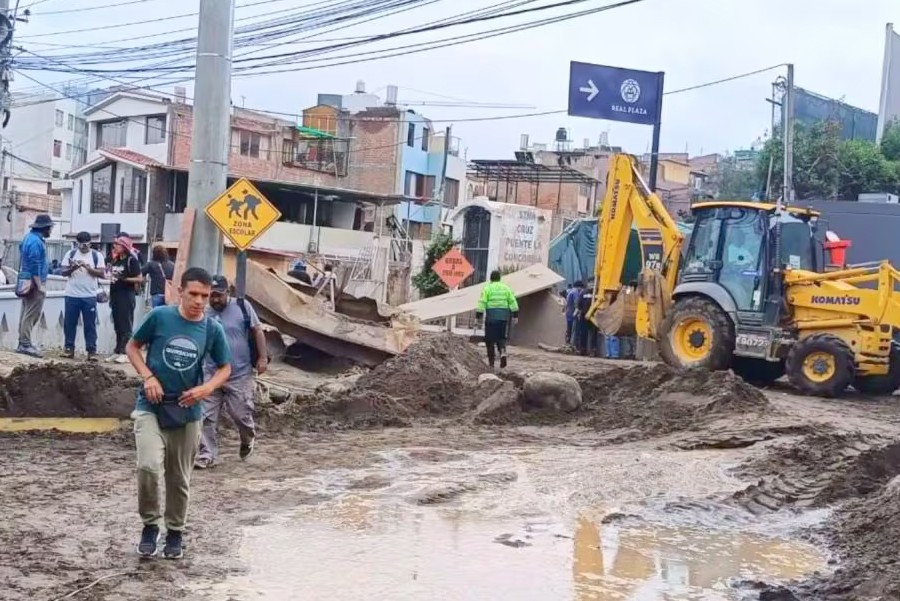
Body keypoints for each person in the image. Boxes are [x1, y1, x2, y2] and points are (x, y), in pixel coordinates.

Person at [125, 266, 231, 560]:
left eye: (205, 296)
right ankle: (150, 525)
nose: (199, 301)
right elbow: (132, 347)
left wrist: (206, 389)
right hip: (151, 405)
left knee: (179, 478)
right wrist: (148, 377)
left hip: (187, 410)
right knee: (148, 467)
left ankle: (175, 532)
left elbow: (225, 368)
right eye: (194, 294)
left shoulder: (212, 329)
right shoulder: (160, 317)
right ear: (179, 291)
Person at [195, 275, 268, 469]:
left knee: (240, 414)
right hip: (212, 373)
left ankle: (247, 438)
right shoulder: (203, 311)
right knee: (205, 416)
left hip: (239, 373)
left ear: (228, 293)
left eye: (219, 295)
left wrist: (262, 358)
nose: (215, 299)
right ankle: (207, 454)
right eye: (211, 295)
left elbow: (257, 331)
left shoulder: (243, 307)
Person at [60, 232, 106, 361]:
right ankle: (69, 348)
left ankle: (91, 351)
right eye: (80, 245)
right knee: (69, 323)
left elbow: (102, 273)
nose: (83, 248)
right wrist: (73, 268)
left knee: (90, 325)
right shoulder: (70, 254)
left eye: (85, 245)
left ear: (90, 244)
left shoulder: (96, 256)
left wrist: (88, 268)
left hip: (89, 295)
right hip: (72, 294)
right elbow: (63, 272)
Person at [16, 214, 53, 357]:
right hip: (33, 282)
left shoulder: (28, 238)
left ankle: (23, 342)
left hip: (25, 279)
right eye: (49, 228)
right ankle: (25, 344)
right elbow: (34, 265)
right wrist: (40, 286)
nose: (50, 231)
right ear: (45, 228)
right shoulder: (36, 242)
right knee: (32, 314)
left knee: (26, 311)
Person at [108, 235, 143, 363]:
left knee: (126, 324)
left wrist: (125, 279)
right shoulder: (116, 260)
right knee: (117, 323)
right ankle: (118, 350)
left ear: (124, 246)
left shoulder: (131, 260)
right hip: (115, 294)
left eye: (117, 244)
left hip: (126, 295)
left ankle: (126, 352)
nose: (115, 246)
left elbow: (139, 278)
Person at [475, 270, 519, 369]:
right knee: (501, 337)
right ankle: (502, 352)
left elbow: (482, 302)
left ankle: (491, 363)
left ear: (490, 278)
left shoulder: (487, 288)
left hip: (491, 317)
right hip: (503, 317)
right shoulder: (506, 288)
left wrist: (478, 317)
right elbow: (513, 302)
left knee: (489, 340)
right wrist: (515, 316)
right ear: (500, 278)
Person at [565, 281, 583, 346]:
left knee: (569, 328)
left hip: (568, 313)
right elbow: (576, 304)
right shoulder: (575, 292)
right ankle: (571, 344)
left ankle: (568, 342)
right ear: (579, 287)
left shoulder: (571, 291)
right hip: (572, 314)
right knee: (573, 330)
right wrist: (578, 313)